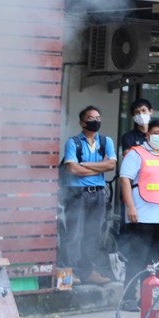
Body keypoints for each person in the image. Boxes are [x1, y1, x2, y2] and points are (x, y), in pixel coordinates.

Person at [118, 117, 159, 308]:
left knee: (154, 260)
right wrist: (130, 207)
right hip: (141, 214)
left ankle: (149, 298)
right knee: (137, 258)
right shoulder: (136, 154)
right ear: (147, 134)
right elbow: (125, 180)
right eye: (156, 133)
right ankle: (129, 298)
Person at [59, 105, 116, 285]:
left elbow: (111, 165)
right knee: (73, 236)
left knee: (92, 236)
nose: (95, 121)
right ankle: (65, 278)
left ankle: (88, 272)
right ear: (82, 122)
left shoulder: (106, 142)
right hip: (77, 194)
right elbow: (73, 169)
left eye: (98, 118)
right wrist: (99, 167)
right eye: (91, 118)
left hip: (98, 194)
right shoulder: (73, 142)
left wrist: (84, 165)